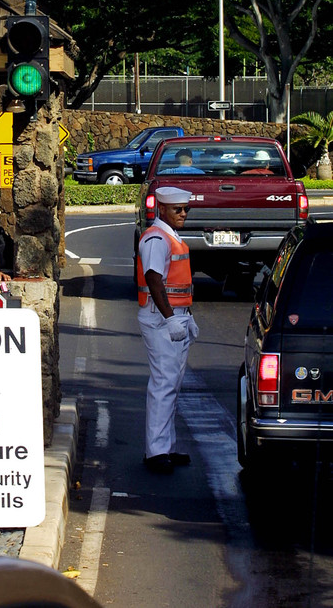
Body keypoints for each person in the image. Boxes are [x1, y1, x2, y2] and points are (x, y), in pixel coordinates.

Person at [136, 186, 199, 474]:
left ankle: (167, 446)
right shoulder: (157, 239)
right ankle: (157, 451)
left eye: (185, 209)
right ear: (162, 209)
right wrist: (172, 318)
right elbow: (154, 279)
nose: (183, 213)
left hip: (174, 317)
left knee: (171, 384)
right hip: (161, 319)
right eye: (178, 209)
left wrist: (187, 315)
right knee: (163, 384)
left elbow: (177, 281)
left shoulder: (171, 237)